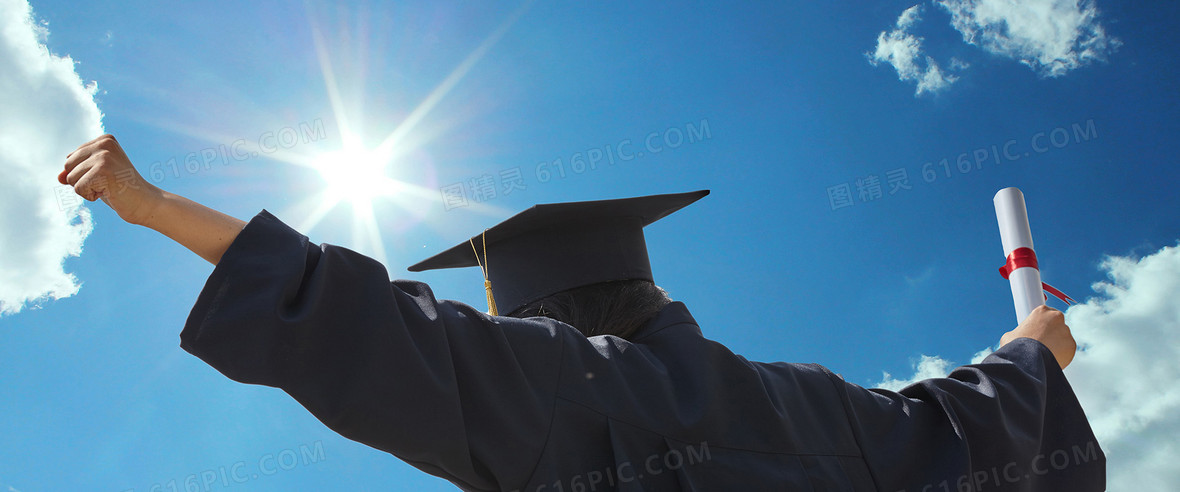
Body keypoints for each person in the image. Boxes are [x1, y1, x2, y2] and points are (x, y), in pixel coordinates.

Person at [59, 134, 1105, 491]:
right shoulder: (818, 409)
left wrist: (153, 208)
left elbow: (363, 322)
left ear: (539, 319)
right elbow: (962, 422)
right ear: (653, 292)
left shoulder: (564, 389)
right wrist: (1031, 349)